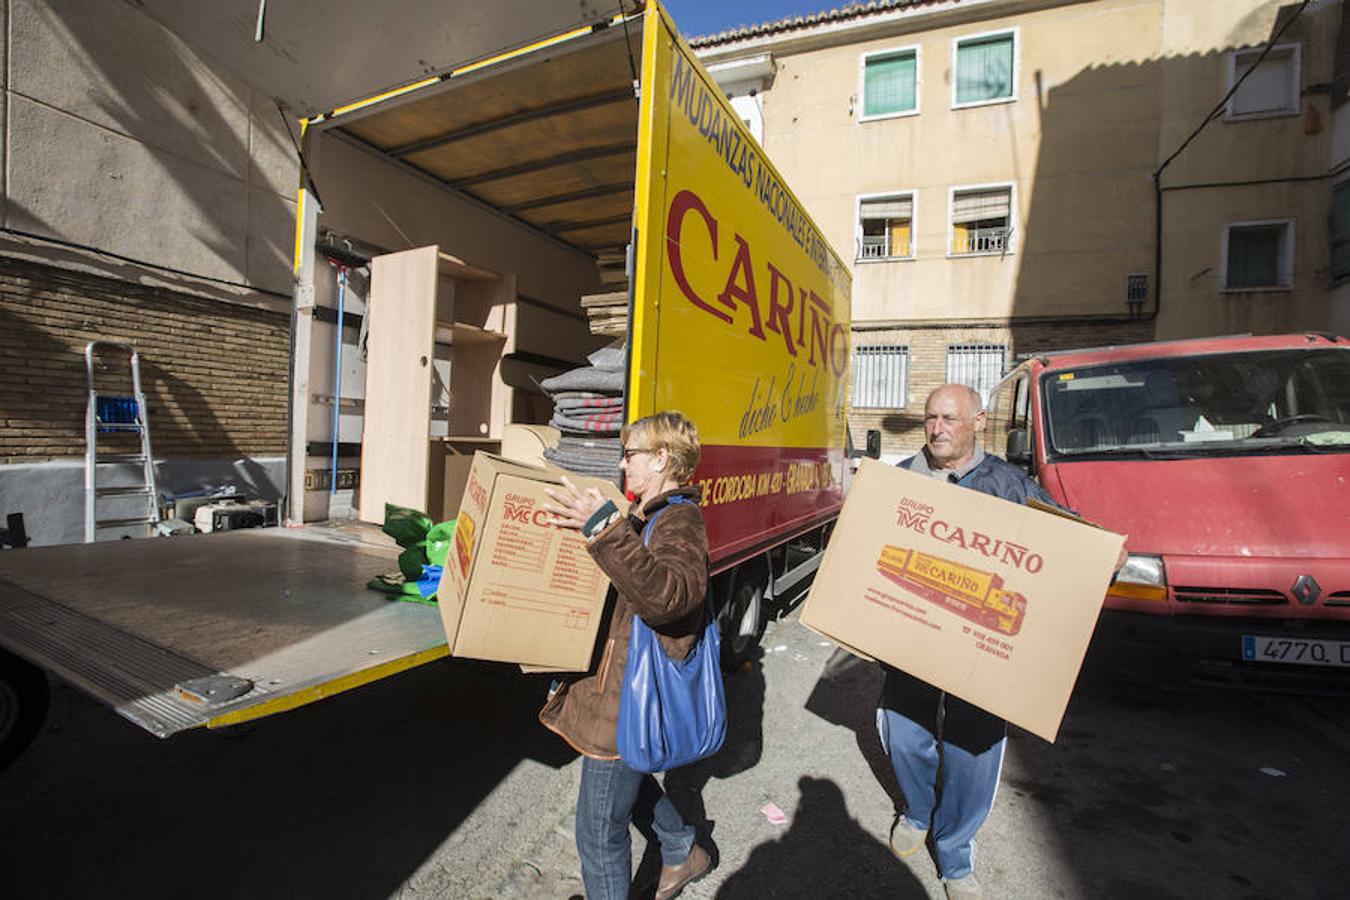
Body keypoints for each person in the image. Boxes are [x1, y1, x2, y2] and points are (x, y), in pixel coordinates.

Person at [880, 384, 1065, 900]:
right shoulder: (901, 480)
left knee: (972, 753)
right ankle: (918, 811)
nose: (937, 429)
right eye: (930, 418)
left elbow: (1069, 542)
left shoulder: (1011, 485)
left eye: (949, 419)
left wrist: (1105, 554)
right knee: (903, 734)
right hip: (911, 641)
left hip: (983, 654)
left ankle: (955, 851)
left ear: (979, 421)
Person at [540, 410, 714, 900]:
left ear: (661, 458)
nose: (622, 464)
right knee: (628, 787)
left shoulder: (681, 518)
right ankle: (682, 850)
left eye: (631, 454)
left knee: (597, 831)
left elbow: (671, 597)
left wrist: (605, 529)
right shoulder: (649, 513)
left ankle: (682, 852)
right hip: (619, 686)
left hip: (630, 697)